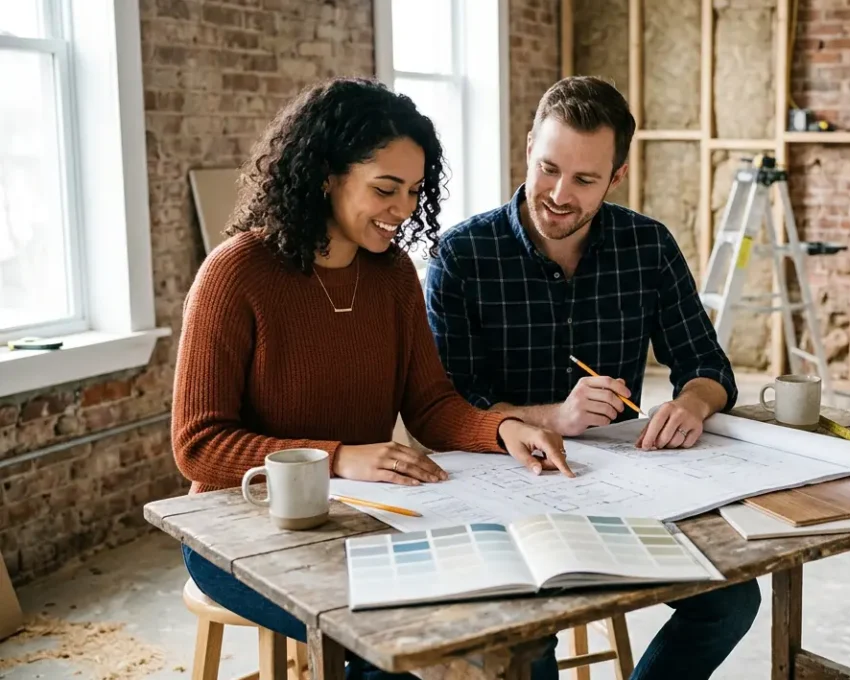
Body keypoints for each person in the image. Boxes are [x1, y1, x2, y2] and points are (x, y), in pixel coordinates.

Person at [170, 77, 569, 680]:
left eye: (414, 191)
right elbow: (198, 446)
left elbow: (431, 404)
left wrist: (503, 428)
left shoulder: (392, 278)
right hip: (243, 534)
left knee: (520, 632)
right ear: (326, 175)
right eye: (386, 188)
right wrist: (338, 458)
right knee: (388, 649)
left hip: (360, 517)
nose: (404, 209)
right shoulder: (235, 274)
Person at [425, 76, 760, 680]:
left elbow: (708, 368)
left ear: (616, 177)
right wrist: (554, 417)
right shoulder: (461, 255)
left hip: (620, 490)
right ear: (528, 146)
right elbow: (448, 404)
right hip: (501, 492)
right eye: (547, 167)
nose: (557, 194)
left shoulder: (647, 246)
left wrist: (692, 405)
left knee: (732, 600)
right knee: (527, 640)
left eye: (583, 180)